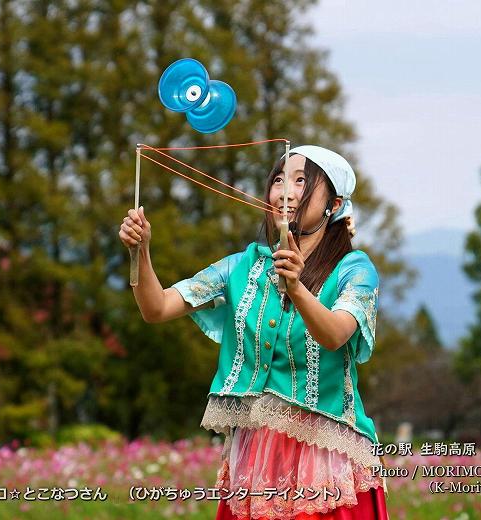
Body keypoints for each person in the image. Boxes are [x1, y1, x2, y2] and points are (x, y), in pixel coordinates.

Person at [118, 145, 390, 519]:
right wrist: (140, 252)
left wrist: (296, 287)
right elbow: (157, 308)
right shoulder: (241, 266)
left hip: (326, 458)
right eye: (278, 180)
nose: (286, 191)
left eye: (301, 181)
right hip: (256, 454)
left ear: (334, 203)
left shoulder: (354, 270)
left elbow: (335, 335)